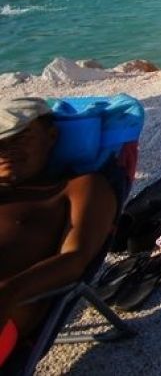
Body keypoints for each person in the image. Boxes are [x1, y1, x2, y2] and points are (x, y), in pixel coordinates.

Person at [0, 98, 118, 356]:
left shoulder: (78, 188)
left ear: (51, 135)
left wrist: (8, 293)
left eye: (19, 138)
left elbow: (75, 258)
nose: (6, 150)